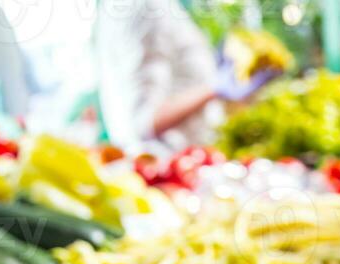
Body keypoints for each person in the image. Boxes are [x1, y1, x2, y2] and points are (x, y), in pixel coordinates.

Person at [91, 0, 274, 151]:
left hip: (189, 163)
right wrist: (215, 87)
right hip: (165, 166)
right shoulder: (144, 7)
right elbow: (142, 121)